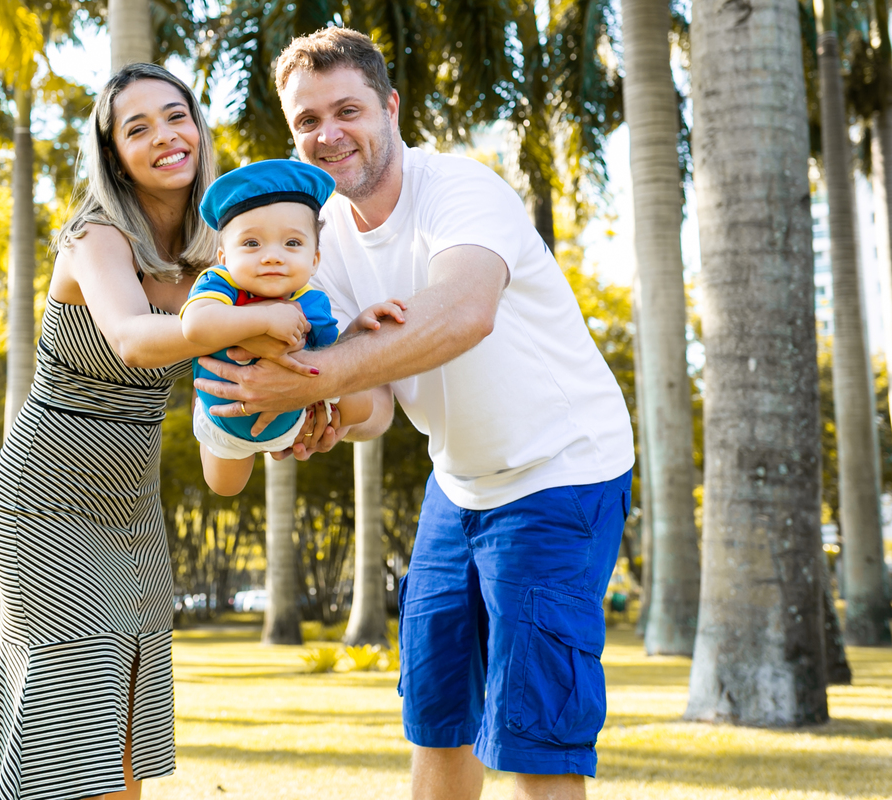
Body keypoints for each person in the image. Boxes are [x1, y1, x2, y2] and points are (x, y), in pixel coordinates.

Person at [193, 28, 635, 800]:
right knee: (435, 720)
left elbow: (463, 313)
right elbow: (375, 407)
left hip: (560, 472)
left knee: (536, 743)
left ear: (390, 107)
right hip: (459, 483)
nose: (327, 134)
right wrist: (318, 413)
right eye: (306, 120)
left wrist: (311, 378)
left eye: (347, 110)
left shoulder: (459, 189)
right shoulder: (315, 242)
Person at [0, 63, 299, 800]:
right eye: (136, 128)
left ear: (199, 128)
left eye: (176, 117)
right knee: (76, 721)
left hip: (133, 511)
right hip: (44, 507)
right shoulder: (95, 237)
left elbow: (288, 336)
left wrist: (323, 358)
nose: (164, 137)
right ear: (114, 154)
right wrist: (260, 320)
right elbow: (136, 339)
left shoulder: (218, 258)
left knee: (124, 736)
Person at [181, 158, 404, 495]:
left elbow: (334, 358)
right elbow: (195, 326)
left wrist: (356, 329)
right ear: (225, 258)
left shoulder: (312, 302)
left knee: (362, 403)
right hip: (223, 416)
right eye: (252, 244)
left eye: (292, 243)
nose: (272, 256)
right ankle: (216, 432)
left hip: (295, 419)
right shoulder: (220, 285)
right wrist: (266, 318)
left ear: (314, 258)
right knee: (225, 487)